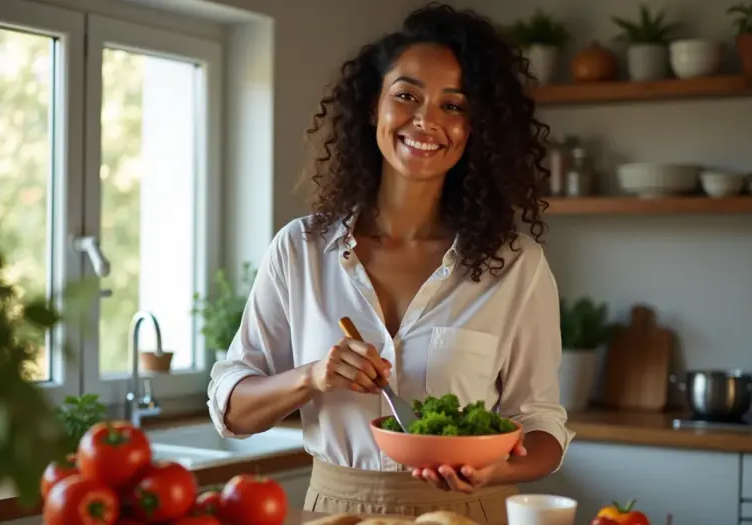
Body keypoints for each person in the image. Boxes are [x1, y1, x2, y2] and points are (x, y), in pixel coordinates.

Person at [208, 3, 573, 523]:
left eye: (454, 106)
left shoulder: (515, 265)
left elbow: (542, 425)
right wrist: (313, 376)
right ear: (371, 108)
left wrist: (495, 468)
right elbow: (232, 411)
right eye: (406, 96)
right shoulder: (301, 249)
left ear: (475, 129)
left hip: (464, 513)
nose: (427, 120)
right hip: (340, 511)